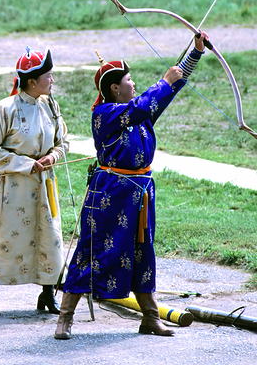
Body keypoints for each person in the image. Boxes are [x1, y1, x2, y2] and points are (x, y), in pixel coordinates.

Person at [54, 33, 208, 340]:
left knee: (142, 252)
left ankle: (150, 317)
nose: (133, 83)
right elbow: (148, 100)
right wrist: (164, 81)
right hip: (110, 194)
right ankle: (65, 317)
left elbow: (165, 93)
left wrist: (195, 54)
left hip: (139, 195)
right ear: (114, 88)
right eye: (128, 79)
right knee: (91, 251)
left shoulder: (138, 112)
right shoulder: (105, 114)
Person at [0, 47, 68, 319]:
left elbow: (63, 142)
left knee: (48, 236)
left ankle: (47, 293)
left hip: (44, 183)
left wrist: (52, 156)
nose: (52, 81)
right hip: (12, 188)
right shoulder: (3, 110)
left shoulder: (51, 105)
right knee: (2, 239)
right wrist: (26, 164)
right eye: (48, 77)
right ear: (31, 82)